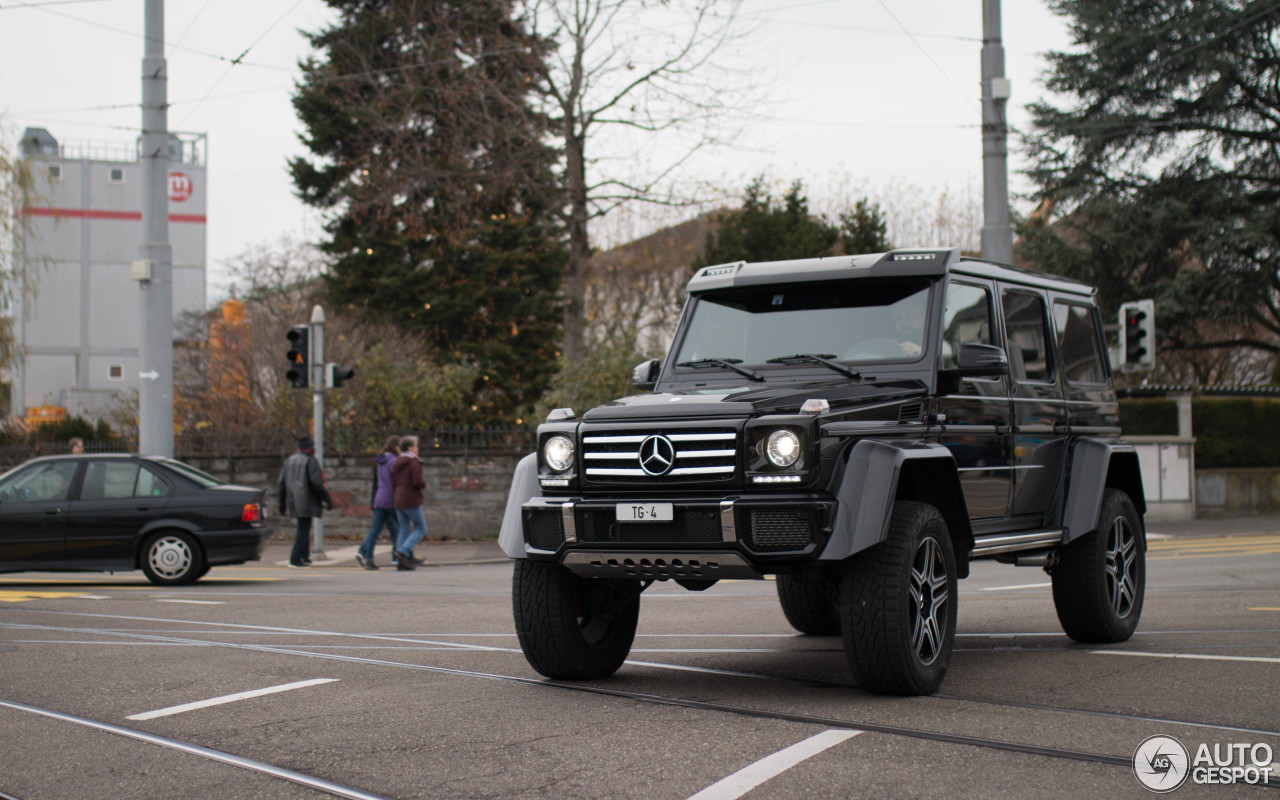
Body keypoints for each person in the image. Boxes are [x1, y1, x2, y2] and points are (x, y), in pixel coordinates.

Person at [277, 436, 332, 568]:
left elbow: (281, 484)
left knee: (304, 528)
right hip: (307, 501)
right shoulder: (310, 461)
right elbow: (317, 483)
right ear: (310, 448)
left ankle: (304, 556)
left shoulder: (289, 460)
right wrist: (327, 498)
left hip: (293, 500)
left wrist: (282, 504)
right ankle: (296, 557)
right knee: (303, 529)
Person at [356, 435, 401, 570]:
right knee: (397, 530)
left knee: (375, 530)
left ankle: (368, 557)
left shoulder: (380, 461)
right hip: (391, 499)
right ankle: (397, 556)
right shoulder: (393, 461)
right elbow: (395, 481)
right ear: (396, 447)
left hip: (379, 499)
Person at [391, 435, 427, 571]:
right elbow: (417, 481)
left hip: (398, 498)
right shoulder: (414, 462)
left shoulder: (397, 462)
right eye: (416, 446)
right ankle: (403, 552)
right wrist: (424, 484)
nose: (417, 449)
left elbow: (393, 480)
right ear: (410, 448)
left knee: (403, 530)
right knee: (421, 527)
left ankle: (401, 562)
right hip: (410, 499)